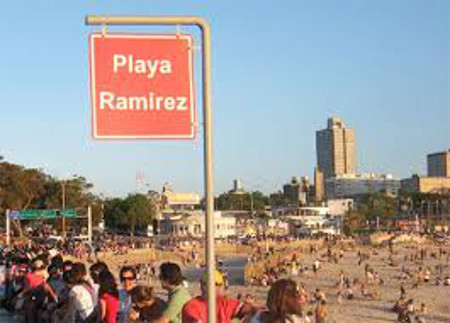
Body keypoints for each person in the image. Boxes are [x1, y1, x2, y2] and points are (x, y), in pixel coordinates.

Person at [183, 270, 247, 323]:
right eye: (220, 285)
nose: (222, 288)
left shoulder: (224, 302)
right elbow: (194, 320)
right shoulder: (192, 306)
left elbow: (248, 309)